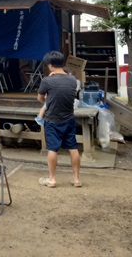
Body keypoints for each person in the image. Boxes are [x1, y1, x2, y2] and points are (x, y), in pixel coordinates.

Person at [37, 51, 82, 188]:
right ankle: (77, 179)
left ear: (50, 65)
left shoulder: (47, 81)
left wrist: (48, 100)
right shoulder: (73, 80)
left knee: (52, 148)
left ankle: (52, 179)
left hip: (52, 119)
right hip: (69, 118)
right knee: (73, 147)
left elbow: (40, 98)